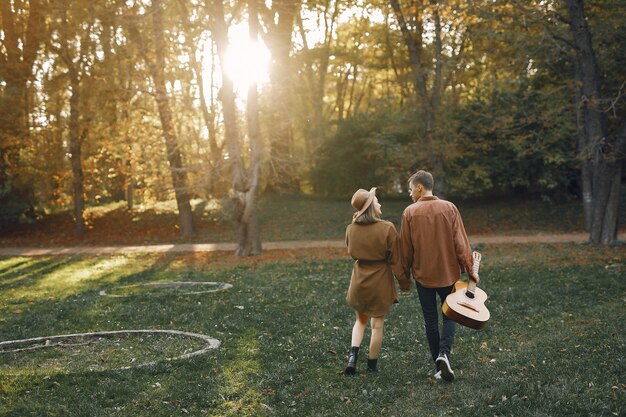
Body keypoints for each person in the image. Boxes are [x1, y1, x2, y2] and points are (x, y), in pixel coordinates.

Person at [399, 170, 478, 382]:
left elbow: (405, 250)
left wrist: (404, 278)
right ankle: (444, 355)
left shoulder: (409, 212)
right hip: (448, 273)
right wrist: (470, 270)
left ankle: (438, 364)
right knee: (451, 314)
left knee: (430, 320)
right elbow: (460, 243)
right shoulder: (449, 208)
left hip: (423, 276)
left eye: (410, 189)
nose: (410, 194)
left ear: (419, 187)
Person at [344, 187, 412, 375]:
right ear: (371, 207)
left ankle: (352, 358)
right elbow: (396, 260)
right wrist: (404, 282)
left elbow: (350, 251)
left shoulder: (350, 229)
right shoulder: (387, 228)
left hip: (359, 280)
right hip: (379, 280)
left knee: (360, 320)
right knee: (377, 325)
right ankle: (372, 366)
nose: (379, 203)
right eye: (376, 201)